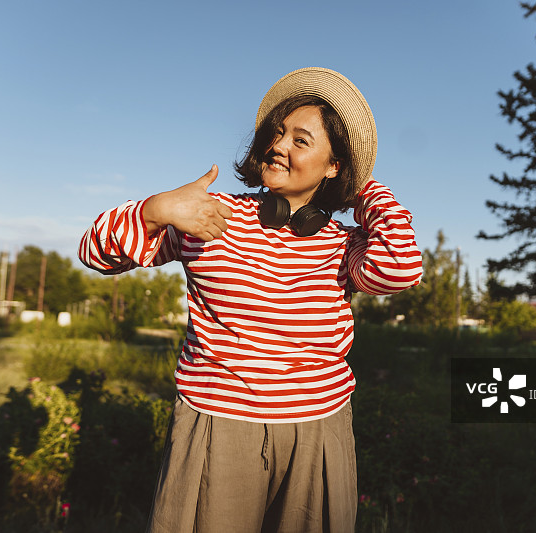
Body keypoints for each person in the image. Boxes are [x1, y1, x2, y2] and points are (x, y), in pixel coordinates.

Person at [79, 67, 422, 533]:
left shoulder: (346, 243)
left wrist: (364, 189)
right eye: (278, 133)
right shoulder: (210, 215)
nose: (279, 146)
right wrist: (157, 210)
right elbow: (95, 251)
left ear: (333, 164)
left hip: (318, 431)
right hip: (217, 428)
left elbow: (401, 268)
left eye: (301, 141)